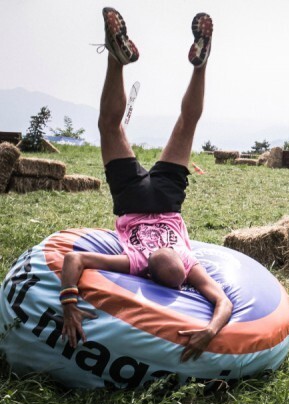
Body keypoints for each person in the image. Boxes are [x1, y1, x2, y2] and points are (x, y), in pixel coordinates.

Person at [59, 7, 232, 362]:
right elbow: (223, 301)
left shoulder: (155, 262)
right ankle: (117, 59)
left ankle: (198, 67)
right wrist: (211, 330)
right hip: (138, 200)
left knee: (186, 125)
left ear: (150, 271)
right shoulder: (150, 262)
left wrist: (68, 305)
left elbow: (74, 258)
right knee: (111, 127)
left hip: (165, 199)